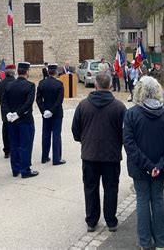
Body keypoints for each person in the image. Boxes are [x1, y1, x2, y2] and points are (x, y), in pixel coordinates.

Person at [123, 76, 164, 249]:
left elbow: (129, 144)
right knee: (157, 200)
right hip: (158, 168)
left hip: (141, 168)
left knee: (143, 201)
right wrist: (158, 166)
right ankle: (160, 242)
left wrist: (150, 166)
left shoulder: (132, 114)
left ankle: (145, 243)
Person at [72, 73, 127, 233]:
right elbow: (125, 133)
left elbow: (76, 130)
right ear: (110, 86)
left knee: (90, 187)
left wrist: (86, 141)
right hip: (111, 155)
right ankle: (110, 221)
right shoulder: (119, 107)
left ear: (95, 85)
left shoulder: (83, 105)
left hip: (90, 155)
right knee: (111, 187)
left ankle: (92, 220)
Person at [2, 62, 38, 178]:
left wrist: (9, 113)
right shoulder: (30, 85)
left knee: (14, 145)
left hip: (12, 120)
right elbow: (28, 103)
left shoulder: (9, 85)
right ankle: (25, 170)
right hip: (25, 120)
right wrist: (18, 113)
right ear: (27, 72)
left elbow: (4, 101)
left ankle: (15, 169)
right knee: (26, 145)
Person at [36, 63, 65, 165]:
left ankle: (44, 157)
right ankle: (56, 159)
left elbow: (38, 99)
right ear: (56, 72)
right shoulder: (59, 84)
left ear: (48, 72)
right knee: (56, 135)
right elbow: (59, 100)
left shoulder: (42, 83)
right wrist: (52, 111)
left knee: (46, 135)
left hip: (46, 113)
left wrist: (44, 111)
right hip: (56, 113)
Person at [0, 64, 16, 158]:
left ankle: (7, 150)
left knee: (5, 131)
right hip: (15, 112)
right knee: (15, 131)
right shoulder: (15, 82)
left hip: (5, 110)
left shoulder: (0, 84)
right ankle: (14, 149)